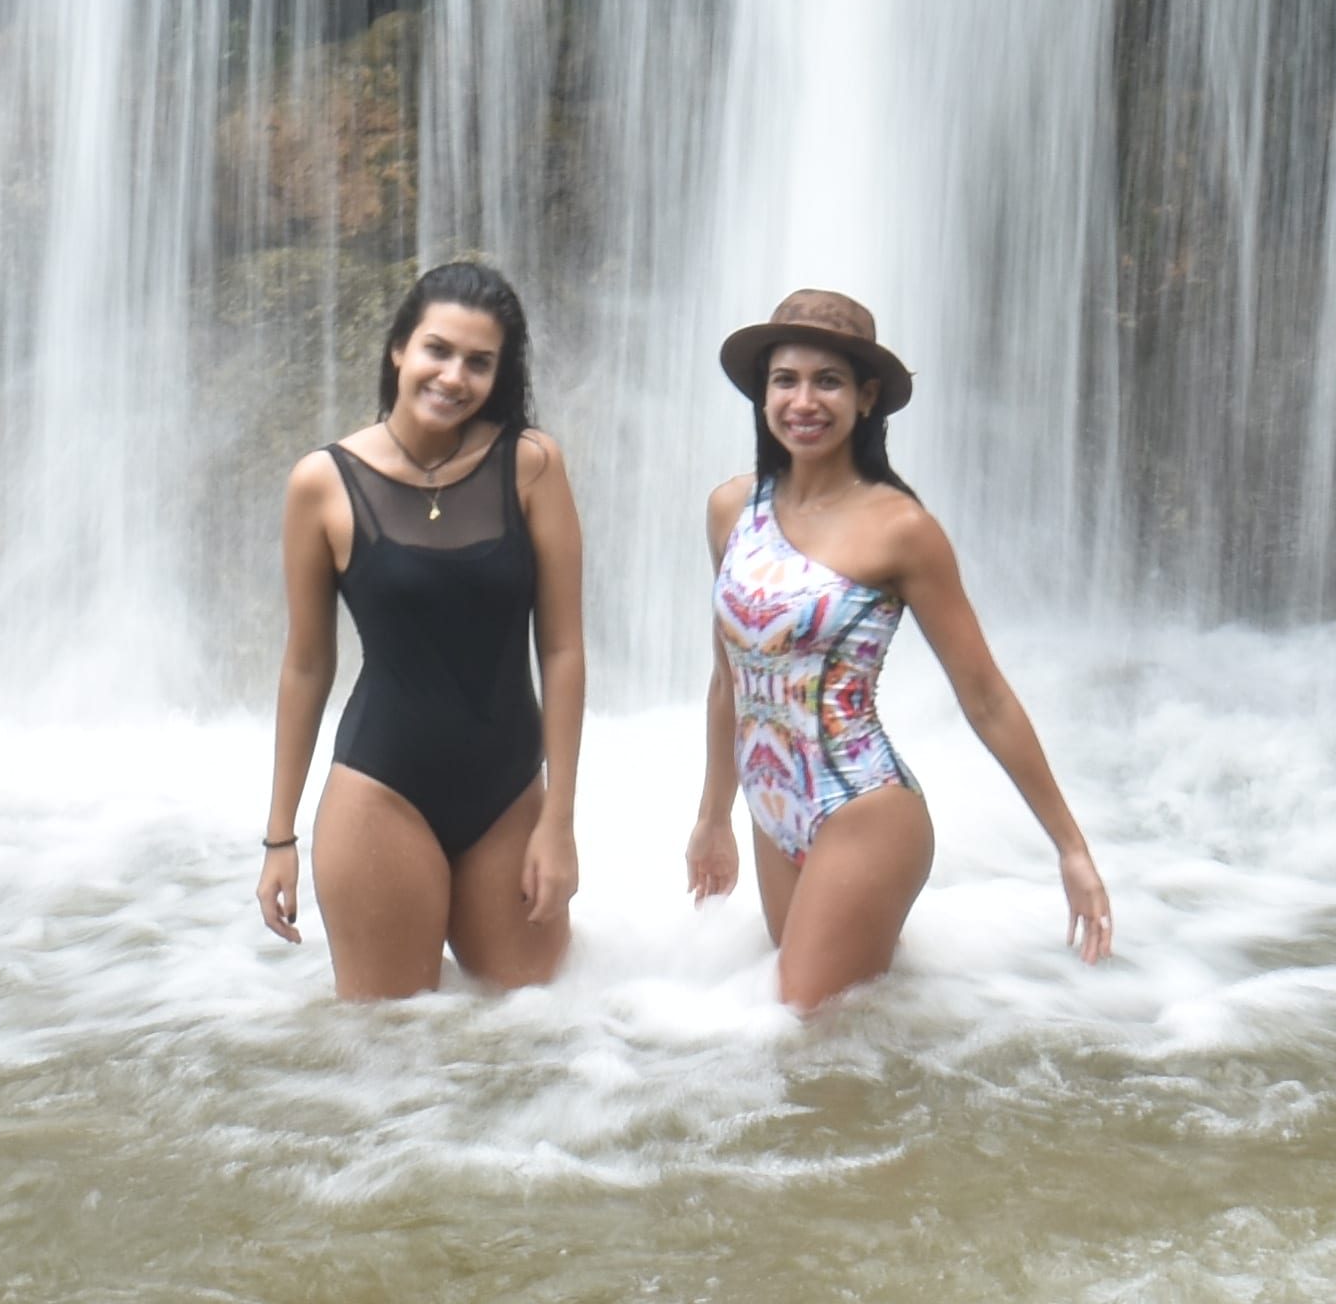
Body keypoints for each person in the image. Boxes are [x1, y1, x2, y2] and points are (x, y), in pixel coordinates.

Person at [681, 286, 1114, 1007]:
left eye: (828, 382)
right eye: (785, 380)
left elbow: (985, 696)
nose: (803, 401)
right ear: (763, 393)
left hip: (863, 808)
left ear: (865, 396)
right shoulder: (732, 509)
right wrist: (711, 817)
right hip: (771, 806)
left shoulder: (901, 529)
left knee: (797, 1029)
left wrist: (1071, 849)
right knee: (833, 1038)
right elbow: (730, 681)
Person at [256, 255, 587, 997]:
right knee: (397, 1056)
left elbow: (562, 650)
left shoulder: (530, 466)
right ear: (400, 347)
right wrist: (280, 836)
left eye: (479, 362)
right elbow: (307, 665)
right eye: (438, 350)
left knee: (533, 1026)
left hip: (509, 799)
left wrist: (558, 820)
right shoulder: (323, 482)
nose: (453, 377)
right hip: (380, 792)